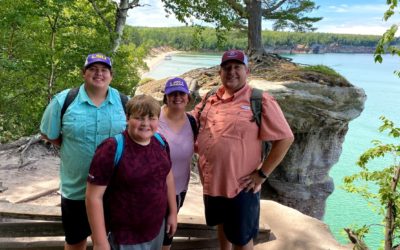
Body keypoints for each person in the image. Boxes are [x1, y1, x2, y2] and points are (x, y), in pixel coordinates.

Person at [192, 49, 294, 250]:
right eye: (227, 68)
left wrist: (262, 174)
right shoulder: (210, 99)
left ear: (247, 71)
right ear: (220, 72)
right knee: (221, 224)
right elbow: (189, 121)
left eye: (237, 67)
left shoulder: (260, 100)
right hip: (212, 181)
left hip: (241, 186)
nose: (231, 72)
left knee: (242, 236)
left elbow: (285, 138)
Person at [40, 53, 127, 250]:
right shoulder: (64, 101)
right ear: (84, 73)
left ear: (111, 75)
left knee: (107, 242)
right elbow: (50, 134)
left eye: (104, 70)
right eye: (93, 69)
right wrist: (73, 147)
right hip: (76, 189)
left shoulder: (124, 102)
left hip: (114, 190)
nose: (99, 73)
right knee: (75, 241)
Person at [86, 94, 178, 250]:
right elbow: (93, 196)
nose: (146, 124)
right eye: (139, 118)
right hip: (125, 236)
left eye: (151, 118)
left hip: (156, 228)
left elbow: (167, 177)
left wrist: (173, 213)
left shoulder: (160, 142)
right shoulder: (111, 148)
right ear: (127, 118)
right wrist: (100, 242)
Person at [158, 77, 196, 250]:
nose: (177, 97)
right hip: (151, 188)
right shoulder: (153, 117)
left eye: (181, 93)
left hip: (179, 189)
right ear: (166, 97)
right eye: (172, 94)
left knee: (167, 234)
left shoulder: (193, 122)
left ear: (188, 97)